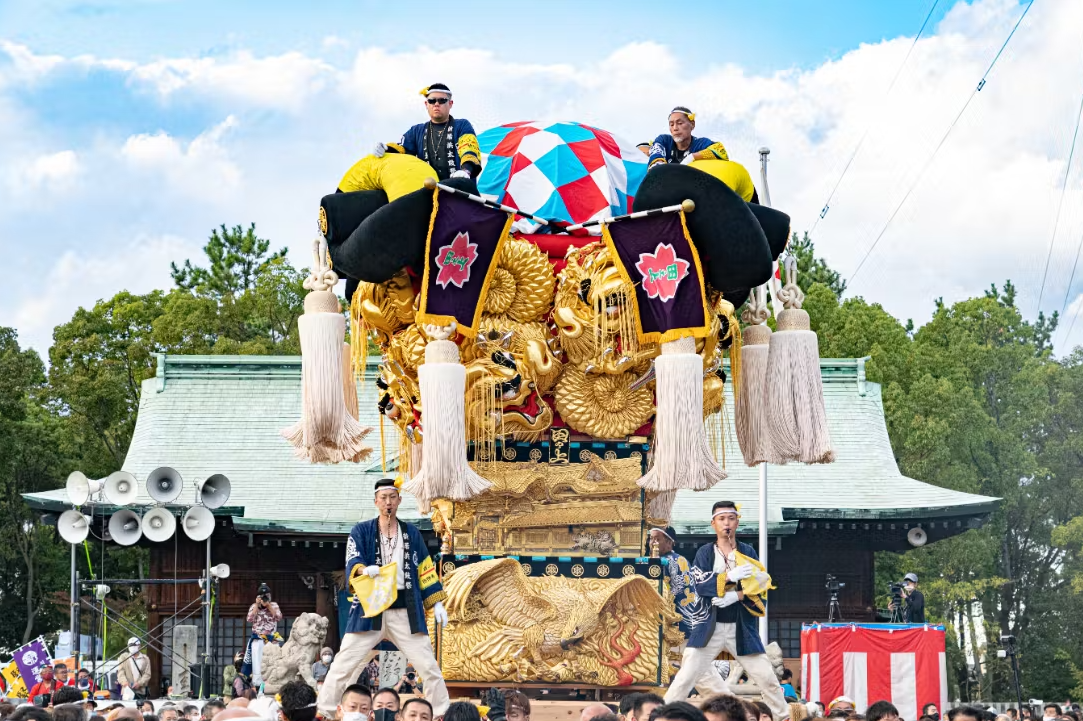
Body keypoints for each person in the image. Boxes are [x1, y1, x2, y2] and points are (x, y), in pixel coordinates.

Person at [316, 478, 450, 718]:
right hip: (370, 609)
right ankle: (325, 712)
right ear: (376, 501)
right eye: (383, 498)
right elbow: (353, 559)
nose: (388, 502)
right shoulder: (361, 530)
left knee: (428, 666)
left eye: (392, 497)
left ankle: (440, 713)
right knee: (344, 663)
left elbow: (425, 568)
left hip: (405, 610)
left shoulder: (412, 533)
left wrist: (436, 601)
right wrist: (363, 570)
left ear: (399, 500)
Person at [662, 501, 789, 721]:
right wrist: (729, 577)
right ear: (713, 524)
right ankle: (661, 716)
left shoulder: (747, 552)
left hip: (740, 627)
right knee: (685, 677)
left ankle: (782, 716)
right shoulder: (705, 552)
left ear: (737, 522)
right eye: (721, 519)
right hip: (708, 627)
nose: (726, 523)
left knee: (766, 677)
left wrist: (736, 595)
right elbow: (699, 584)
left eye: (731, 518)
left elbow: (760, 583)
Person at [651, 526, 730, 698]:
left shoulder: (669, 562)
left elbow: (668, 594)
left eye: (657, 538)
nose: (653, 542)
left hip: (678, 626)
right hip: (682, 624)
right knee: (694, 669)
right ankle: (725, 700)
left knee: (696, 669)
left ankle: (726, 702)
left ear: (670, 542)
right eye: (651, 538)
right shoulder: (673, 560)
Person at [378, 84, 481, 182]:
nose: (436, 104)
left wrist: (466, 170)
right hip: (429, 188)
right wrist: (386, 149)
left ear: (450, 104)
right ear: (426, 104)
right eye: (432, 101)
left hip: (460, 188)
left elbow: (469, 148)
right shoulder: (416, 131)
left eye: (442, 100)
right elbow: (402, 150)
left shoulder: (462, 125)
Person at [648, 107, 728, 169]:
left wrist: (692, 157)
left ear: (692, 124)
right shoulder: (664, 140)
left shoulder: (700, 143)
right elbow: (656, 158)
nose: (675, 128)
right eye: (671, 124)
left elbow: (721, 152)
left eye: (680, 123)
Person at [244, 582, 283, 688]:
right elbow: (249, 619)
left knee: (273, 663)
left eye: (267, 595)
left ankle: (272, 684)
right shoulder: (254, 606)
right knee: (257, 663)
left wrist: (268, 605)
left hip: (272, 639)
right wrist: (257, 605)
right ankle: (257, 685)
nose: (265, 598)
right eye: (263, 596)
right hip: (258, 639)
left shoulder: (274, 605)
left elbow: (278, 617)